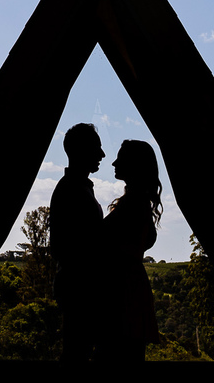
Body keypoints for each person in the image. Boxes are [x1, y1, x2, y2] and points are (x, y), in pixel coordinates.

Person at [95, 139, 162, 364]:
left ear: (134, 165)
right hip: (129, 292)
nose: (114, 162)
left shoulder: (131, 205)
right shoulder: (138, 204)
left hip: (121, 295)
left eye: (121, 158)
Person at [50, 122, 105, 362]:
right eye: (97, 148)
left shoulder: (75, 187)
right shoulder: (72, 190)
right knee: (77, 353)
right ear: (82, 151)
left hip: (78, 287)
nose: (102, 154)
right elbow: (64, 247)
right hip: (80, 288)